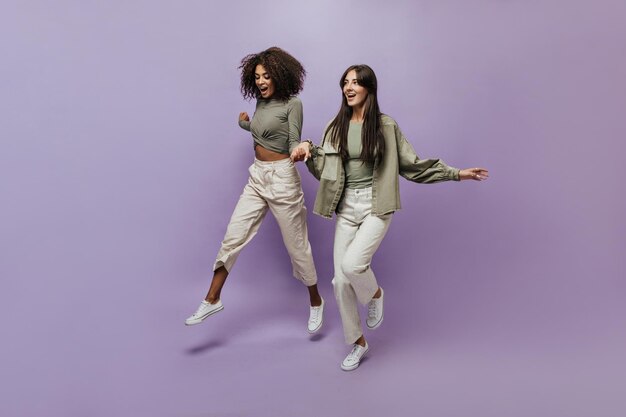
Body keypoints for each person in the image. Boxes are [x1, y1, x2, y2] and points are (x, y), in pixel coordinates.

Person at [291, 64, 488, 370]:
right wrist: (309, 152)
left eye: (355, 82)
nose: (349, 87)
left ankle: (376, 293)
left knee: (353, 265)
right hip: (345, 208)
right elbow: (326, 173)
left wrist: (456, 174)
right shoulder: (335, 125)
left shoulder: (385, 126)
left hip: (376, 206)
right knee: (340, 282)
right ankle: (358, 343)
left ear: (369, 87)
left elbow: (411, 165)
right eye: (345, 82)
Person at [185, 47, 324, 334]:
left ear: (280, 76)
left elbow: (292, 138)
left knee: (297, 248)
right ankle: (212, 298)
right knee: (233, 236)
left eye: (266, 76)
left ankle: (315, 301)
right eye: (257, 76)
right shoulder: (261, 103)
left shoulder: (292, 104)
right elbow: (262, 130)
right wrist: (244, 124)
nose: (261, 81)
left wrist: (302, 148)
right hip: (256, 176)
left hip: (282, 179)